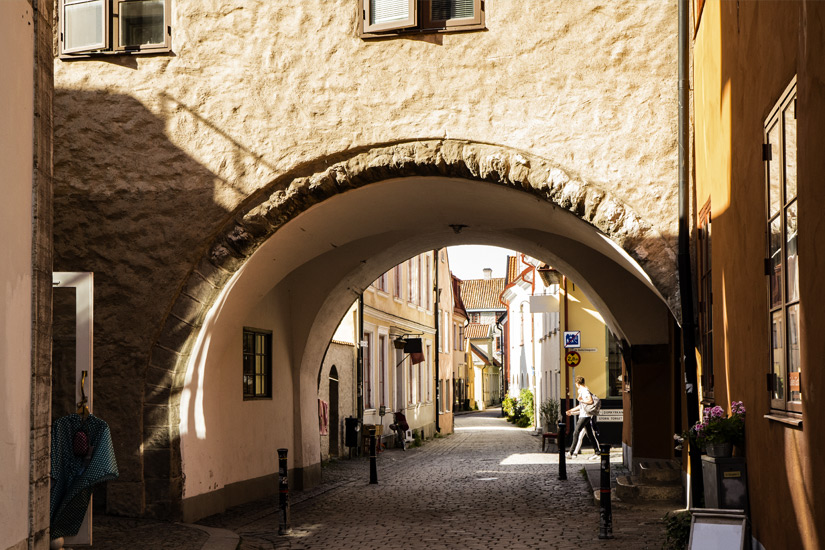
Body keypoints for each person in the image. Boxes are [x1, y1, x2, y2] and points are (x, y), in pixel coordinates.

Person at [565, 376, 601, 459]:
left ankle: (570, 452)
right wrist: (571, 411)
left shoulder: (585, 391)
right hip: (586, 415)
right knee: (590, 434)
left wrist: (581, 400)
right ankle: (597, 452)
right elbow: (581, 406)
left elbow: (590, 401)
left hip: (585, 416)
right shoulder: (583, 391)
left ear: (577, 383)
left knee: (576, 432)